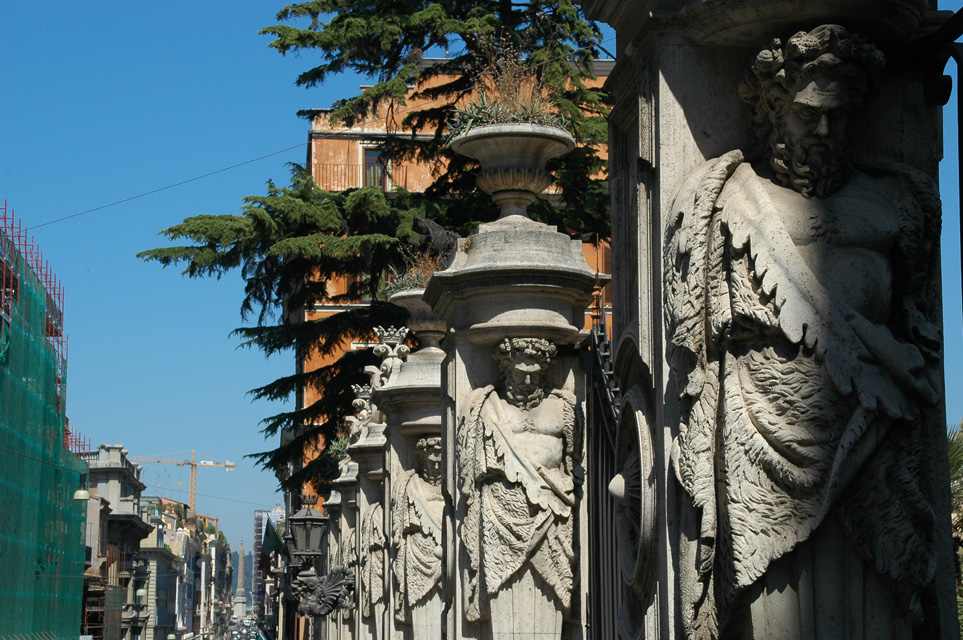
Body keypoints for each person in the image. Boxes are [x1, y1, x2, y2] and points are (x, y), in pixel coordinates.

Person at [665, 24, 944, 639]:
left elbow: (920, 321)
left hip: (875, 424)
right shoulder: (732, 200)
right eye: (807, 114)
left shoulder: (896, 203)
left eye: (837, 116)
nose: (823, 131)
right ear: (772, 109)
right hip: (763, 423)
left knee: (880, 607)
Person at [458, 337, 578, 636]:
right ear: (505, 369)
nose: (527, 381)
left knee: (556, 588)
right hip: (501, 508)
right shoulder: (486, 407)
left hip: (554, 507)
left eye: (534, 374)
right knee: (501, 589)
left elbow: (576, 461)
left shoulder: (562, 407)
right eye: (520, 373)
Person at [393, 436, 444, 636]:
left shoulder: (451, 484)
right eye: (432, 462)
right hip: (418, 554)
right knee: (424, 617)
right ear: (423, 461)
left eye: (440, 463)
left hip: (446, 554)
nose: (436, 467)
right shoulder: (411, 486)